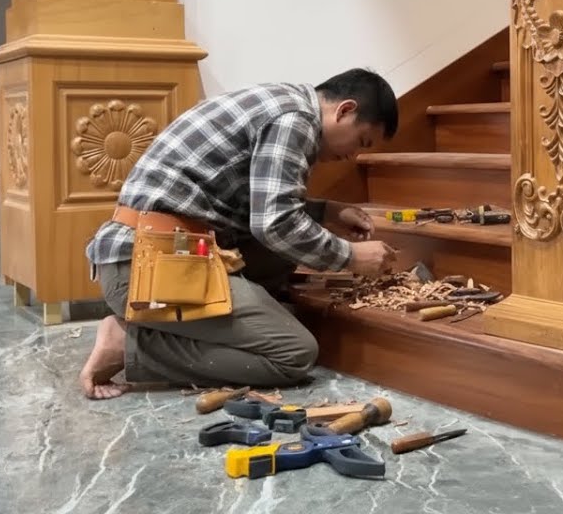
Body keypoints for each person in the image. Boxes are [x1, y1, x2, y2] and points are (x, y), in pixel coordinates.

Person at [79, 68, 400, 399]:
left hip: (153, 253)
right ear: (344, 110)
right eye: (361, 141)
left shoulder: (282, 101)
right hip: (148, 269)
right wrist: (350, 256)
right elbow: (275, 224)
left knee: (279, 257)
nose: (353, 156)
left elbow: (258, 202)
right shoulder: (295, 120)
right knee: (293, 353)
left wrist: (326, 211)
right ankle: (128, 344)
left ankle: (232, 324)